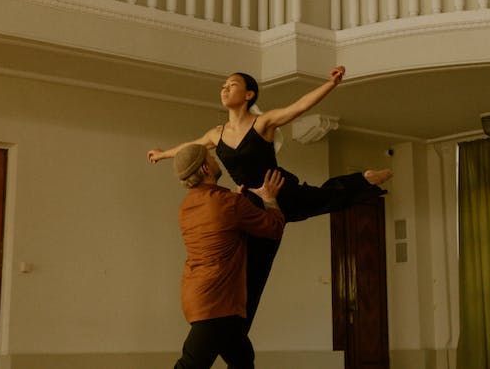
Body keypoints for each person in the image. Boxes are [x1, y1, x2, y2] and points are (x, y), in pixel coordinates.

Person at [149, 66, 392, 325]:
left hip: (279, 189)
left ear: (249, 95)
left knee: (322, 198)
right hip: (251, 200)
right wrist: (163, 154)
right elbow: (190, 149)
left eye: (232, 85)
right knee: (252, 266)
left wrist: (330, 84)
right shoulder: (216, 133)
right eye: (223, 85)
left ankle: (364, 179)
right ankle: (236, 323)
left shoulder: (262, 123)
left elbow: (298, 107)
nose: (225, 89)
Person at [172, 143, 286, 369]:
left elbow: (218, 223)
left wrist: (237, 201)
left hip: (199, 297)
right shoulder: (229, 204)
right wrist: (270, 198)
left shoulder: (186, 206)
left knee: (243, 359)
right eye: (211, 157)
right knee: (190, 365)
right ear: (205, 169)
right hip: (216, 303)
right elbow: (273, 227)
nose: (216, 159)